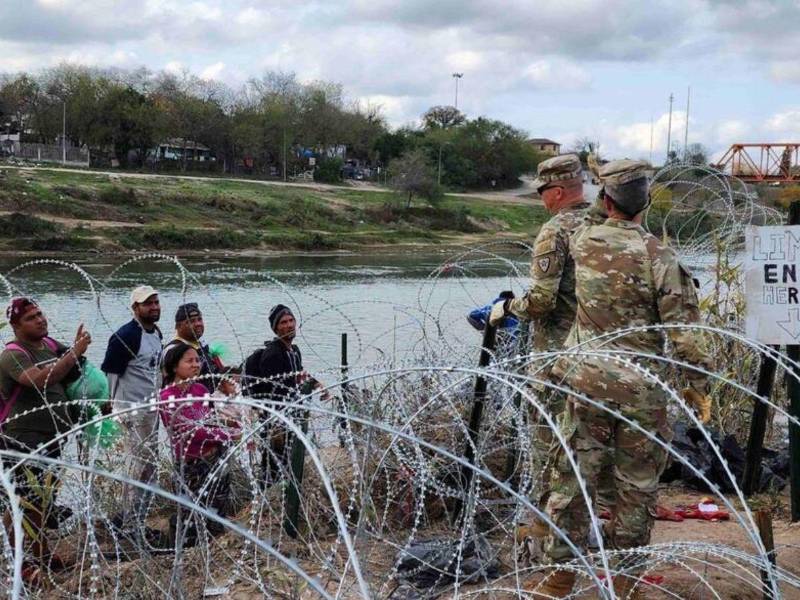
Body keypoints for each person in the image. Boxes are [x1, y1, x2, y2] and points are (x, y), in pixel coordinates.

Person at [535, 160, 713, 598]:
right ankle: (625, 578)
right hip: (640, 392)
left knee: (573, 479)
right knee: (635, 488)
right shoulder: (660, 256)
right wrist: (698, 387)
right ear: (646, 202)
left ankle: (560, 574)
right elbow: (685, 336)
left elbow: (585, 221)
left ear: (605, 198)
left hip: (585, 382)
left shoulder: (583, 241)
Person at [488, 154, 614, 541]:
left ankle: (550, 534)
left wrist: (506, 309)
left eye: (543, 191)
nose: (541, 198)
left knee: (551, 448)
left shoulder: (556, 230)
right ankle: (600, 527)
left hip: (558, 359)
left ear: (557, 191)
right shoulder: (607, 223)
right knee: (596, 445)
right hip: (604, 355)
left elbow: (542, 301)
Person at [0, 298, 91, 581]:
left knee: (42, 499)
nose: (40, 320)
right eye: (30, 318)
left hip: (52, 436)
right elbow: (38, 380)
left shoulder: (49, 345)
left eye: (40, 314)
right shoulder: (13, 354)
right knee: (21, 500)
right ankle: (18, 562)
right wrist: (74, 353)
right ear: (16, 326)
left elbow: (75, 369)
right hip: (22, 438)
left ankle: (41, 553)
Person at [159, 342, 239, 544]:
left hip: (215, 456)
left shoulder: (201, 389)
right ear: (174, 367)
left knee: (218, 508)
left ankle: (215, 548)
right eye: (189, 361)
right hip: (192, 463)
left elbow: (210, 419)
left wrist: (229, 424)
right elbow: (188, 431)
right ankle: (187, 550)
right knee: (192, 514)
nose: (196, 365)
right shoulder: (168, 397)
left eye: (197, 360)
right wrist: (226, 434)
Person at [100, 285, 163, 538]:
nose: (154, 307)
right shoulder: (126, 336)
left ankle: (133, 518)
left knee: (149, 468)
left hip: (150, 409)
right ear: (135, 308)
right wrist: (112, 405)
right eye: (148, 303)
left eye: (156, 302)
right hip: (131, 411)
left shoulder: (155, 333)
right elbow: (110, 373)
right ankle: (130, 525)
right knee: (137, 468)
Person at [242, 304, 322, 488]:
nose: (289, 325)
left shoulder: (294, 351)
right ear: (275, 328)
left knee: (288, 461)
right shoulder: (273, 354)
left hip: (291, 415)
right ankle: (269, 497)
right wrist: (276, 425)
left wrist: (316, 383)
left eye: (291, 320)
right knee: (274, 465)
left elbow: (298, 374)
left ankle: (284, 494)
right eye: (283, 322)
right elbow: (274, 391)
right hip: (276, 420)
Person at [162, 303, 233, 394]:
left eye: (200, 319)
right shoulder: (173, 350)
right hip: (187, 399)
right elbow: (169, 381)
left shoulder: (203, 345)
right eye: (191, 321)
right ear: (178, 326)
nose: (198, 324)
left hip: (209, 397)